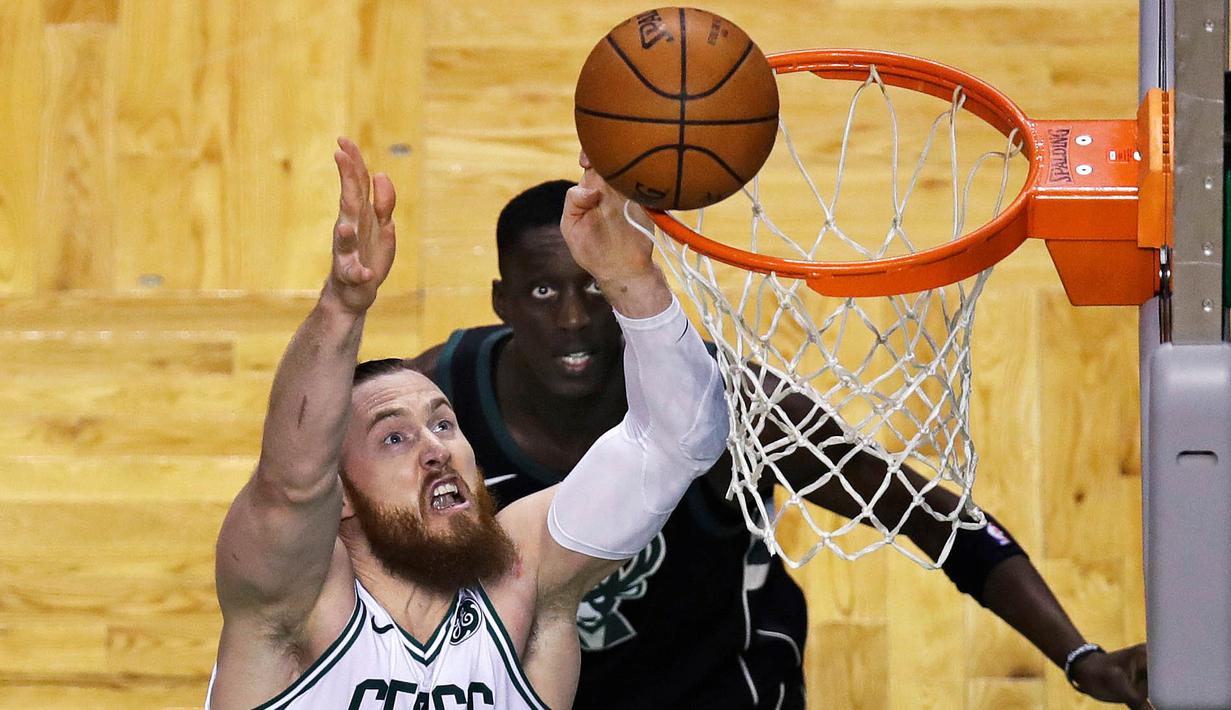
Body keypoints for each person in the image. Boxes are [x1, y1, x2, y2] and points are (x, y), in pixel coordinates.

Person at [407, 169, 1152, 709]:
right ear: (502, 301)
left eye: (596, 286)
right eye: (543, 292)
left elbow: (925, 513)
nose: (573, 318)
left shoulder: (730, 404)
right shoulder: (424, 406)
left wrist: (1079, 655)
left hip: (716, 687)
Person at [205, 138, 730, 709]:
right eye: (394, 437)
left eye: (445, 424)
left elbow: (680, 440)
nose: (435, 450)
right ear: (343, 495)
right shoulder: (299, 610)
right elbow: (291, 484)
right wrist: (342, 305)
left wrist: (629, 276)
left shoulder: (523, 580)